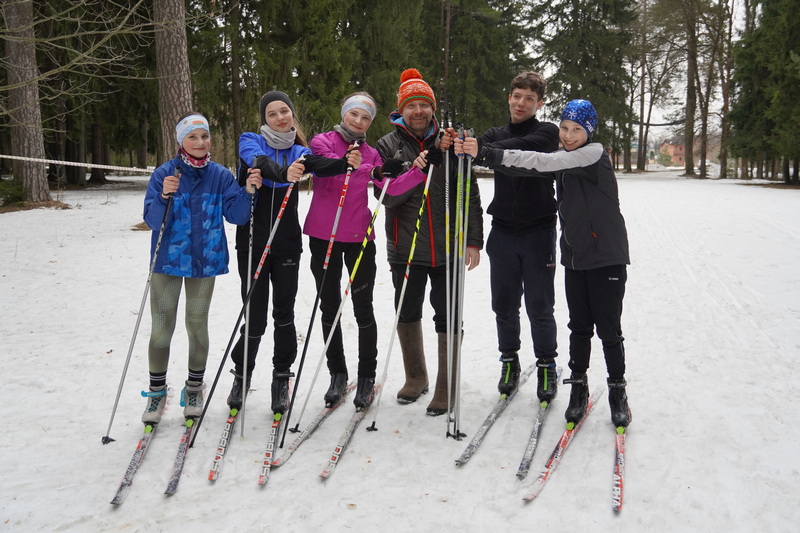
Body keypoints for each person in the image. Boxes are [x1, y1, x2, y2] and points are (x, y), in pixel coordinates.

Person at [458, 99, 632, 429]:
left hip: (607, 258)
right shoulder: (568, 160)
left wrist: (488, 153)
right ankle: (578, 389)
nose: (568, 135)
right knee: (579, 328)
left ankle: (617, 392)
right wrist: (483, 151)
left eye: (576, 130)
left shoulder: (592, 154)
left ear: (589, 132)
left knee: (608, 330)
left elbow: (538, 161)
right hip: (576, 258)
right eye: (564, 129)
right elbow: (528, 163)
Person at [230, 91, 359, 415]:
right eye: (272, 114)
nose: (279, 118)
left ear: (292, 114)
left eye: (284, 111)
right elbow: (257, 162)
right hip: (253, 241)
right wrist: (282, 173)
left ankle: (281, 377)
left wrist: (345, 163)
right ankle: (242, 375)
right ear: (264, 119)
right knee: (255, 317)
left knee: (283, 316)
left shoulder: (300, 151)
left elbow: (322, 165)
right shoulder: (250, 140)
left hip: (286, 243)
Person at [301, 92, 422, 410]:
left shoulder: (371, 152)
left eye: (365, 117)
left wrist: (415, 170)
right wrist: (346, 164)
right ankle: (337, 374)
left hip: (359, 237)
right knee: (330, 308)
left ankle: (366, 376)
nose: (358, 121)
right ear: (344, 114)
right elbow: (323, 168)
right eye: (354, 114)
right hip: (323, 235)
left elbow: (388, 186)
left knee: (363, 308)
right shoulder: (322, 142)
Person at [375, 68, 484, 417]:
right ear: (401, 110)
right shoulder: (387, 145)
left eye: (424, 104)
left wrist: (473, 239)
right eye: (412, 106)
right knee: (407, 312)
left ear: (432, 108)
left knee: (448, 315)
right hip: (405, 248)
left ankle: (445, 385)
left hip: (448, 247)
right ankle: (416, 377)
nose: (418, 111)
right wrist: (418, 167)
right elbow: (386, 197)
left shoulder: (452, 142)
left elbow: (469, 192)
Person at [141, 113, 263, 424]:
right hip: (167, 263)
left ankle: (194, 387)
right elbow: (153, 221)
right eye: (193, 137)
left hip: (203, 264)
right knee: (160, 330)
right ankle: (156, 393)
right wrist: (164, 195)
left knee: (197, 326)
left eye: (204, 136)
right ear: (180, 140)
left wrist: (248, 190)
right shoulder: (164, 174)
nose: (200, 142)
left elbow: (236, 217)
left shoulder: (220, 176)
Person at [478, 71, 561, 404]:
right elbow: (481, 149)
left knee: (540, 305)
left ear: (539, 103)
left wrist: (486, 150)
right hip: (503, 231)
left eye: (529, 98)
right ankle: (509, 361)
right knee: (504, 304)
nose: (521, 103)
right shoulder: (494, 132)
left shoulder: (547, 133)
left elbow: (523, 149)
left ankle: (546, 365)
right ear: (508, 97)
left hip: (538, 230)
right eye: (517, 96)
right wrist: (479, 147)